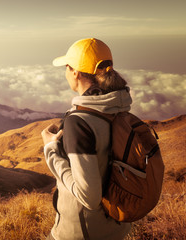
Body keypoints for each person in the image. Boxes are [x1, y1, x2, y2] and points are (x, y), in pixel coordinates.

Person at [41, 38, 132, 240]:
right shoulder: (119, 108)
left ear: (75, 72)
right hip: (116, 227)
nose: (65, 72)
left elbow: (88, 197)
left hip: (81, 233)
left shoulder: (79, 123)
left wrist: (51, 150)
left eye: (67, 66)